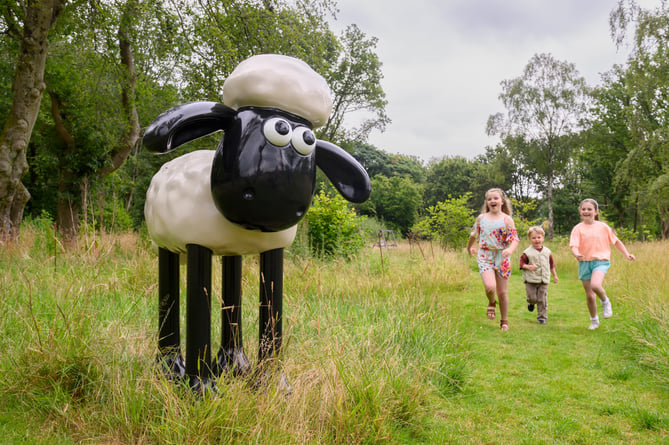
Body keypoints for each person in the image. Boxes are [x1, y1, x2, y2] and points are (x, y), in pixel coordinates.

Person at [569, 199, 635, 330]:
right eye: (584, 209)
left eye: (589, 209)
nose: (586, 211)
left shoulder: (603, 227)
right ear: (580, 211)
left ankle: (605, 301)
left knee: (595, 285)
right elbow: (574, 246)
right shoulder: (577, 228)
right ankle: (594, 320)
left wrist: (626, 254)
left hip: (601, 261)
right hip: (584, 262)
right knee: (589, 295)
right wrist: (576, 254)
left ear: (596, 212)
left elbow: (616, 242)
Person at [467, 188, 520, 331]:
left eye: (495, 198)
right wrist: (469, 248)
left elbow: (515, 239)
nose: (492, 201)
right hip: (485, 255)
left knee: (502, 292)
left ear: (502, 201)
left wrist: (509, 250)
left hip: (501, 257)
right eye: (489, 199)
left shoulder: (507, 220)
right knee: (490, 287)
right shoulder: (481, 218)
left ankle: (504, 321)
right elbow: (473, 234)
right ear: (487, 202)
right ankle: (491, 302)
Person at [519, 226, 559, 325]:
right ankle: (531, 303)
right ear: (530, 239)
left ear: (543, 238)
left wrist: (555, 276)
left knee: (542, 299)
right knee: (532, 298)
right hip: (531, 280)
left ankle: (542, 317)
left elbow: (552, 265)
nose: (537, 240)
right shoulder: (527, 252)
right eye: (534, 238)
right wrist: (528, 267)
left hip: (543, 280)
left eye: (539, 237)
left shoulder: (547, 252)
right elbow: (521, 264)